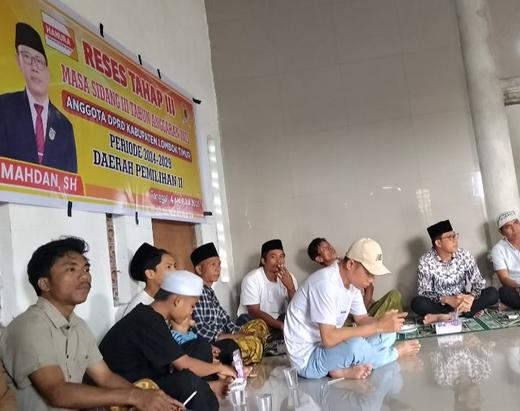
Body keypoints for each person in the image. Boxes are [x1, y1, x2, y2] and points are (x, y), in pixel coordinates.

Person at [0, 237, 182, 411]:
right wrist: (134, 397)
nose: (84, 276)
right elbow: (57, 392)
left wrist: (151, 399)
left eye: (86, 268)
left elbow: (106, 377)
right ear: (44, 284)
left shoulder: (78, 326)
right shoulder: (29, 326)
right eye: (71, 269)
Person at [284, 238, 421, 380]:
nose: (371, 279)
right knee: (357, 346)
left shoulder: (352, 284)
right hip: (308, 359)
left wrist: (384, 323)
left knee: (388, 335)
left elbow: (361, 319)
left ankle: (339, 368)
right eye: (368, 273)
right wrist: (378, 326)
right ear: (350, 264)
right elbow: (329, 339)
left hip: (330, 348)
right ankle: (394, 354)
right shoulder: (324, 283)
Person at [100, 271, 236, 411]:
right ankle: (208, 391)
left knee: (199, 349)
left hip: (145, 379)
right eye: (192, 306)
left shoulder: (150, 315)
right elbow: (185, 365)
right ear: (178, 301)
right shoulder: (149, 321)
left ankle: (209, 388)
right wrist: (220, 367)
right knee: (189, 382)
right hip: (126, 391)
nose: (192, 312)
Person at [0, 22, 77, 173]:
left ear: (49, 71)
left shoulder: (64, 127)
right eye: (26, 57)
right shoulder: (4, 108)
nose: (34, 67)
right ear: (18, 61)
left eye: (39, 60)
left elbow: (71, 181)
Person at [190, 242, 269, 365]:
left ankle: (260, 346)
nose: (218, 268)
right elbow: (199, 331)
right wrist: (234, 337)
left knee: (259, 325)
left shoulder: (210, 292)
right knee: (247, 344)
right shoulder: (195, 293)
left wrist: (242, 332)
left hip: (225, 336)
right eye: (213, 264)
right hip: (212, 344)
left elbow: (226, 321)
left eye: (219, 264)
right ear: (199, 269)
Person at [411, 220, 499, 324]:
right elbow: (424, 292)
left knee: (493, 293)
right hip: (441, 304)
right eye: (450, 237)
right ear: (438, 243)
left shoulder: (464, 255)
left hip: (463, 301)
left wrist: (471, 297)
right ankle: (465, 313)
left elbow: (479, 282)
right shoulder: (425, 261)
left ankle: (446, 316)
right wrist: (447, 299)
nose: (455, 240)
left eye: (455, 236)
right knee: (417, 303)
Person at [307, 237, 402, 318]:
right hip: (345, 319)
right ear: (319, 258)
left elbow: (369, 289)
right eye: (325, 248)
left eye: (329, 245)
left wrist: (363, 311)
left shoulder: (348, 266)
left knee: (394, 296)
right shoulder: (324, 281)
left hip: (363, 309)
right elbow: (328, 327)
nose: (330, 248)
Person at [236, 239, 297, 332]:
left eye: (281, 257)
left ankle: (273, 335)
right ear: (263, 261)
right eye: (273, 257)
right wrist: (281, 326)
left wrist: (290, 287)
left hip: (276, 320)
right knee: (249, 322)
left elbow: (297, 308)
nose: (279, 261)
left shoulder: (289, 277)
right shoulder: (251, 279)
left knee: (293, 319)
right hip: (254, 320)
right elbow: (254, 311)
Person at [122, 242, 176, 317]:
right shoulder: (139, 307)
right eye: (168, 267)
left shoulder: (167, 299)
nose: (175, 271)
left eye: (175, 266)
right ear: (150, 274)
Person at [490, 210, 520, 309]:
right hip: (516, 287)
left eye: (515, 223)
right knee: (504, 292)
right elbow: (504, 279)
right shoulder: (498, 249)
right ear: (502, 232)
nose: (514, 229)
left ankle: (510, 307)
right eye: (508, 226)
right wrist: (518, 286)